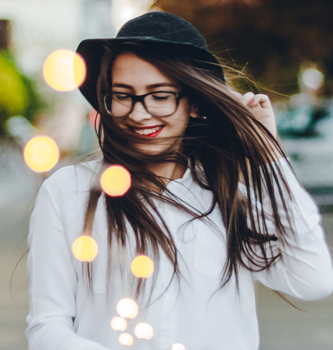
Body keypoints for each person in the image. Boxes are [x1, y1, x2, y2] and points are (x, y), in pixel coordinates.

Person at [25, 12, 333, 350]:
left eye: (159, 95)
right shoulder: (68, 193)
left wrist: (267, 153)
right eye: (123, 95)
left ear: (195, 103)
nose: (139, 113)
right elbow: (47, 326)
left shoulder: (232, 201)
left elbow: (313, 279)